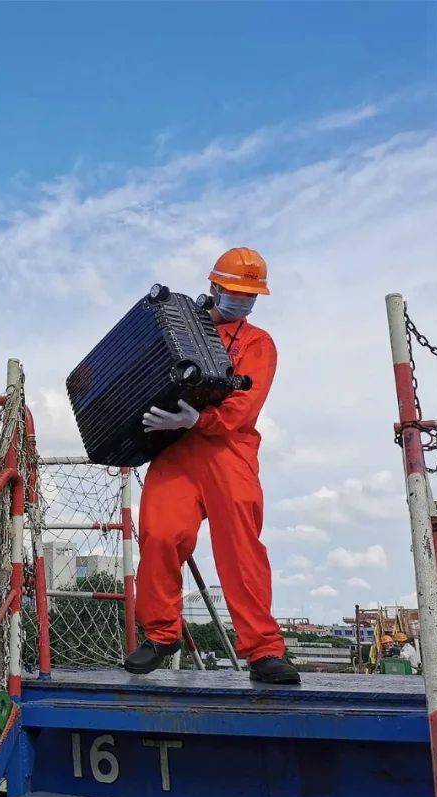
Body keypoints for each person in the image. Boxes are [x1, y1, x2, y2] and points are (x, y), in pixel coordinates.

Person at [124, 248, 300, 684]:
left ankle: (262, 650)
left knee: (240, 548)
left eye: (250, 295)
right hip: (176, 449)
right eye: (236, 292)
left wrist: (199, 418)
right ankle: (161, 635)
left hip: (229, 451)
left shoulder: (259, 344)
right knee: (160, 534)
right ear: (215, 287)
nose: (242, 300)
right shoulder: (176, 327)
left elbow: (245, 405)